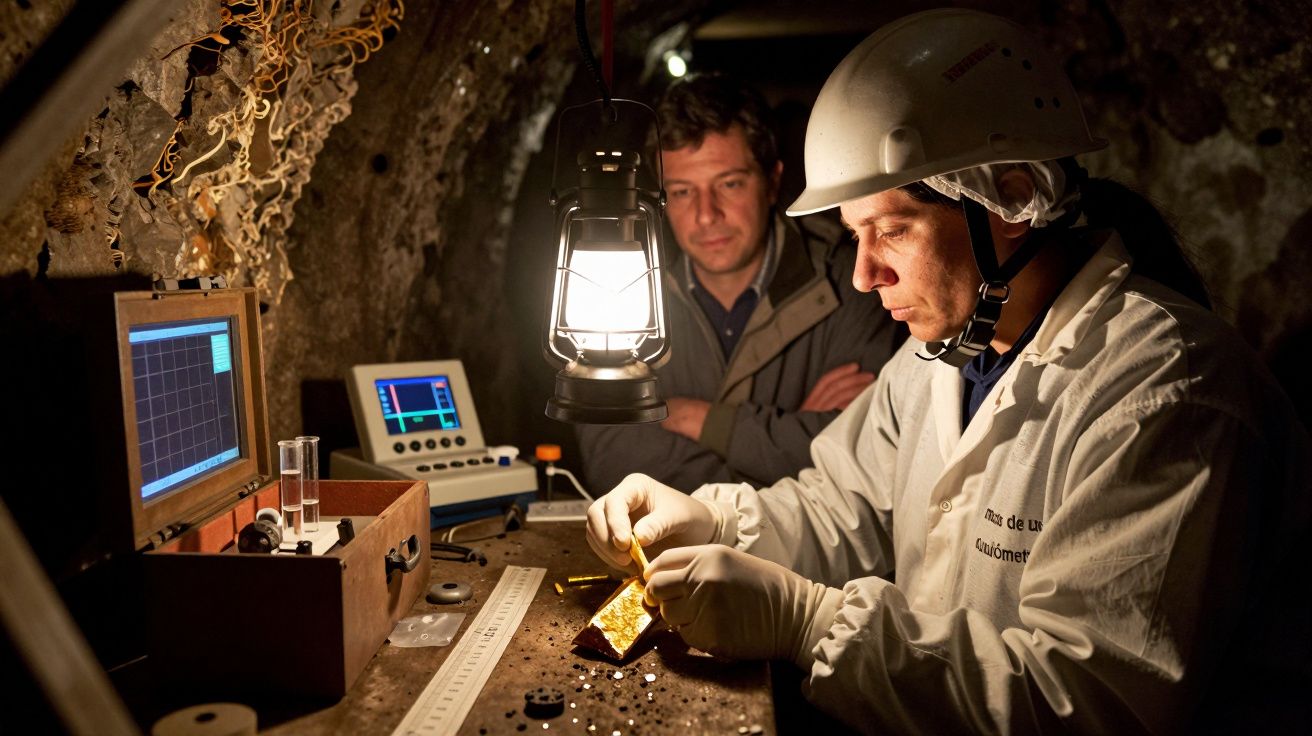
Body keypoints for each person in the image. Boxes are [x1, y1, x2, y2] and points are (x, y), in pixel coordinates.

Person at [585, 9, 1311, 733]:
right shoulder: (940, 359)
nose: (865, 275)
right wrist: (716, 519)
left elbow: (1087, 700)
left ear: (1015, 199)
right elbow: (841, 509)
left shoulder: (1166, 394)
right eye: (854, 235)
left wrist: (810, 621)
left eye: (893, 229)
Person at [577, 73, 905, 492]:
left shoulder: (855, 284)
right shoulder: (618, 295)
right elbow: (611, 455)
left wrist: (697, 418)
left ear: (771, 182)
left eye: (729, 184)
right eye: (681, 192)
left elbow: (865, 456)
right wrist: (787, 442)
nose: (706, 214)